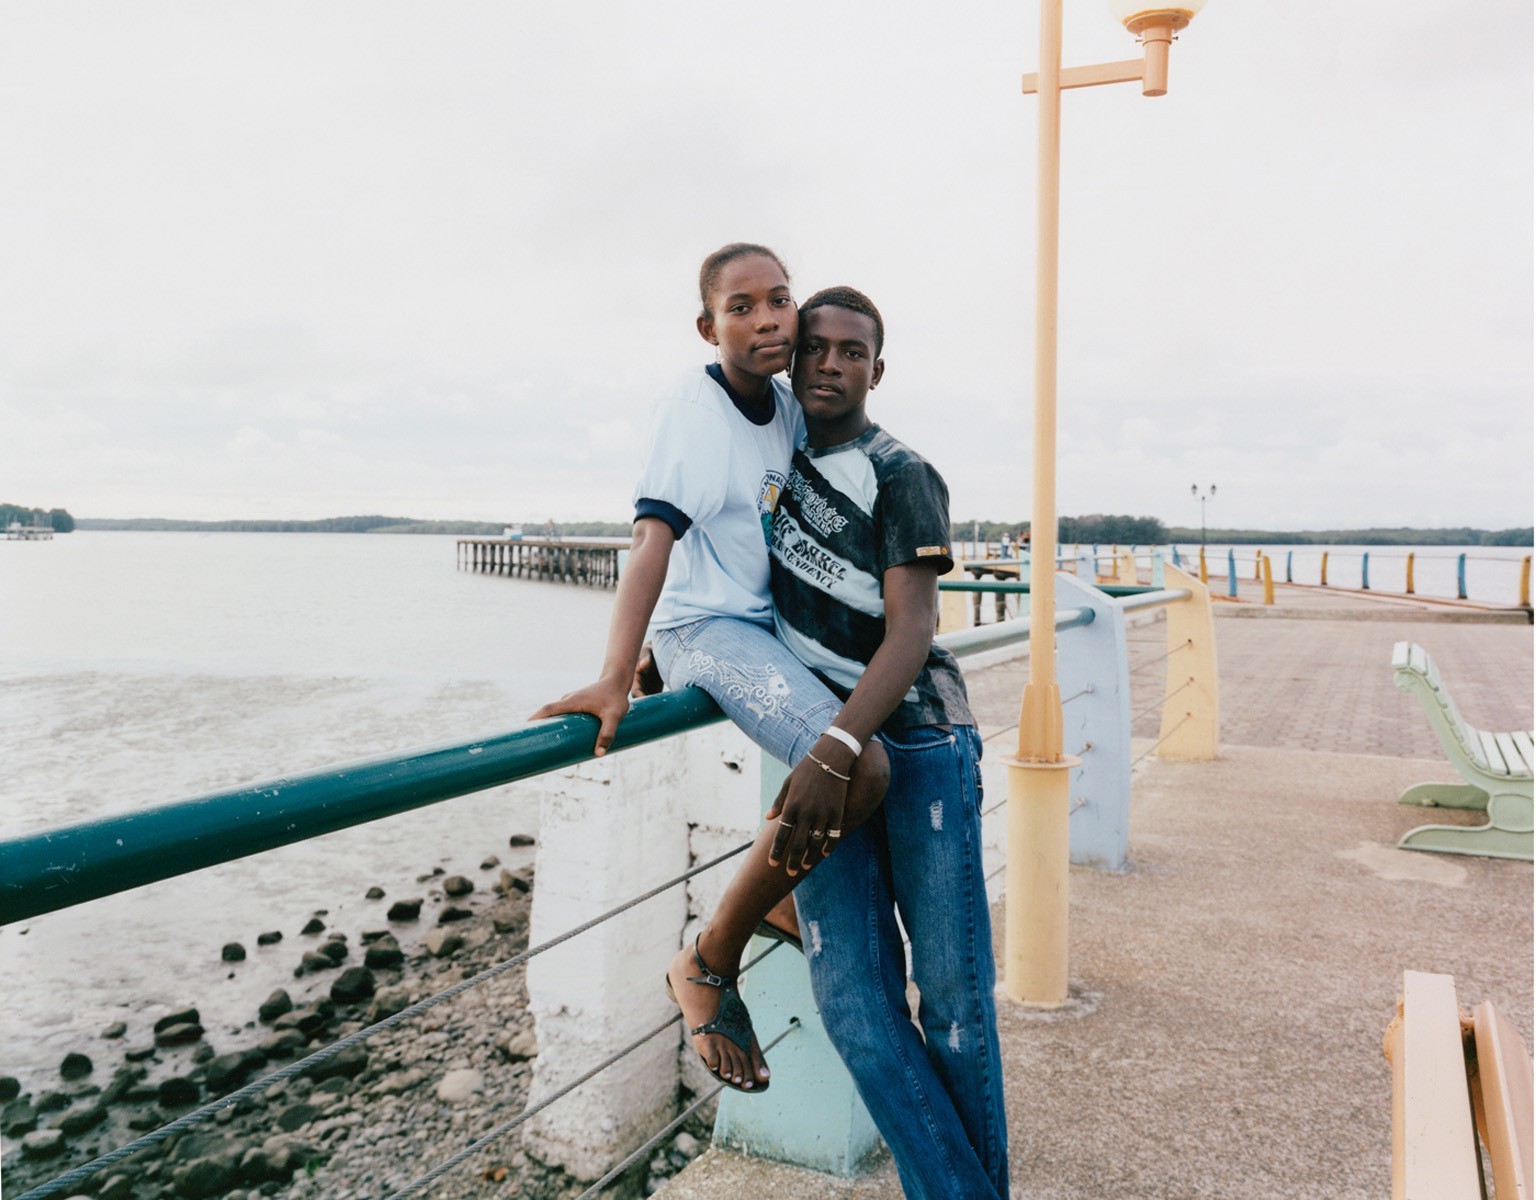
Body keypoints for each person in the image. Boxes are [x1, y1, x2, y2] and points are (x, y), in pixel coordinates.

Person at [532, 243, 892, 1096]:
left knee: (889, 742)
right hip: (706, 630)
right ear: (709, 325)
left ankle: (773, 902)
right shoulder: (691, 413)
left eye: (779, 300)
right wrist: (618, 673)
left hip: (767, 627)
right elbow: (653, 541)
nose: (767, 318)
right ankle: (709, 954)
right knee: (859, 765)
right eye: (742, 306)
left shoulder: (784, 406)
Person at [760, 287, 1009, 1200]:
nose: (831, 364)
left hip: (916, 749)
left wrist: (833, 747)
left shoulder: (901, 472)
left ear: (877, 367)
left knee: (953, 1013)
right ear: (792, 359)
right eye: (816, 349)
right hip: (825, 757)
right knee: (856, 1009)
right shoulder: (774, 463)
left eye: (852, 352)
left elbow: (912, 631)